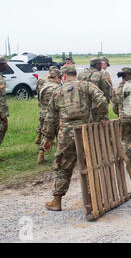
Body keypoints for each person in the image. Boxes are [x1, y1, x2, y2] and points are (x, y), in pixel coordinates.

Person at [42, 65, 107, 211]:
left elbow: (51, 117)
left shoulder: (57, 91)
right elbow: (102, 100)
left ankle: (57, 201)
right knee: (90, 165)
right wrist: (99, 118)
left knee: (63, 165)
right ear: (75, 75)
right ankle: (92, 202)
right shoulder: (87, 86)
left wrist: (47, 138)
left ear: (63, 76)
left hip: (66, 134)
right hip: (85, 131)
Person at [36, 67, 61, 164]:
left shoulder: (43, 85)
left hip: (43, 112)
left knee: (47, 135)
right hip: (53, 115)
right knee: (60, 135)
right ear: (57, 77)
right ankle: (59, 157)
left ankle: (41, 155)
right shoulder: (55, 88)